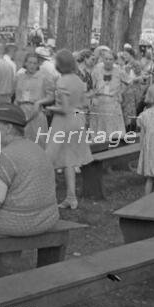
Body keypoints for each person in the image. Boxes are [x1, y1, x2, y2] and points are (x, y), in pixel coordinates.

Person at [0, 103, 59, 276]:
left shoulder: (7, 156)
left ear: (7, 128)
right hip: (47, 218)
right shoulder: (37, 148)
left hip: (21, 222)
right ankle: (0, 268)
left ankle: (0, 272)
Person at [44, 49, 93, 209]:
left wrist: (50, 108)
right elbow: (85, 103)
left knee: (49, 158)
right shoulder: (79, 80)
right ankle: (71, 197)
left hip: (63, 122)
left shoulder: (62, 81)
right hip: (78, 120)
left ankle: (44, 196)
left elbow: (64, 109)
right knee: (69, 160)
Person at [15, 51, 53, 147]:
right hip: (22, 112)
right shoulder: (19, 77)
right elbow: (16, 96)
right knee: (22, 141)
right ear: (25, 63)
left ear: (38, 65)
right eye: (30, 62)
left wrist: (40, 102)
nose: (32, 65)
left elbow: (51, 96)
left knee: (38, 141)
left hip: (36, 111)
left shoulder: (44, 77)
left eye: (35, 63)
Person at [89, 50, 126, 143]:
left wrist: (120, 92)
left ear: (114, 60)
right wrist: (93, 97)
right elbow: (90, 86)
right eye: (106, 59)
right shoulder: (97, 69)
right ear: (103, 59)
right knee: (98, 134)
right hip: (99, 103)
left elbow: (128, 82)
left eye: (111, 59)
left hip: (113, 103)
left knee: (113, 134)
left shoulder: (119, 70)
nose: (108, 61)